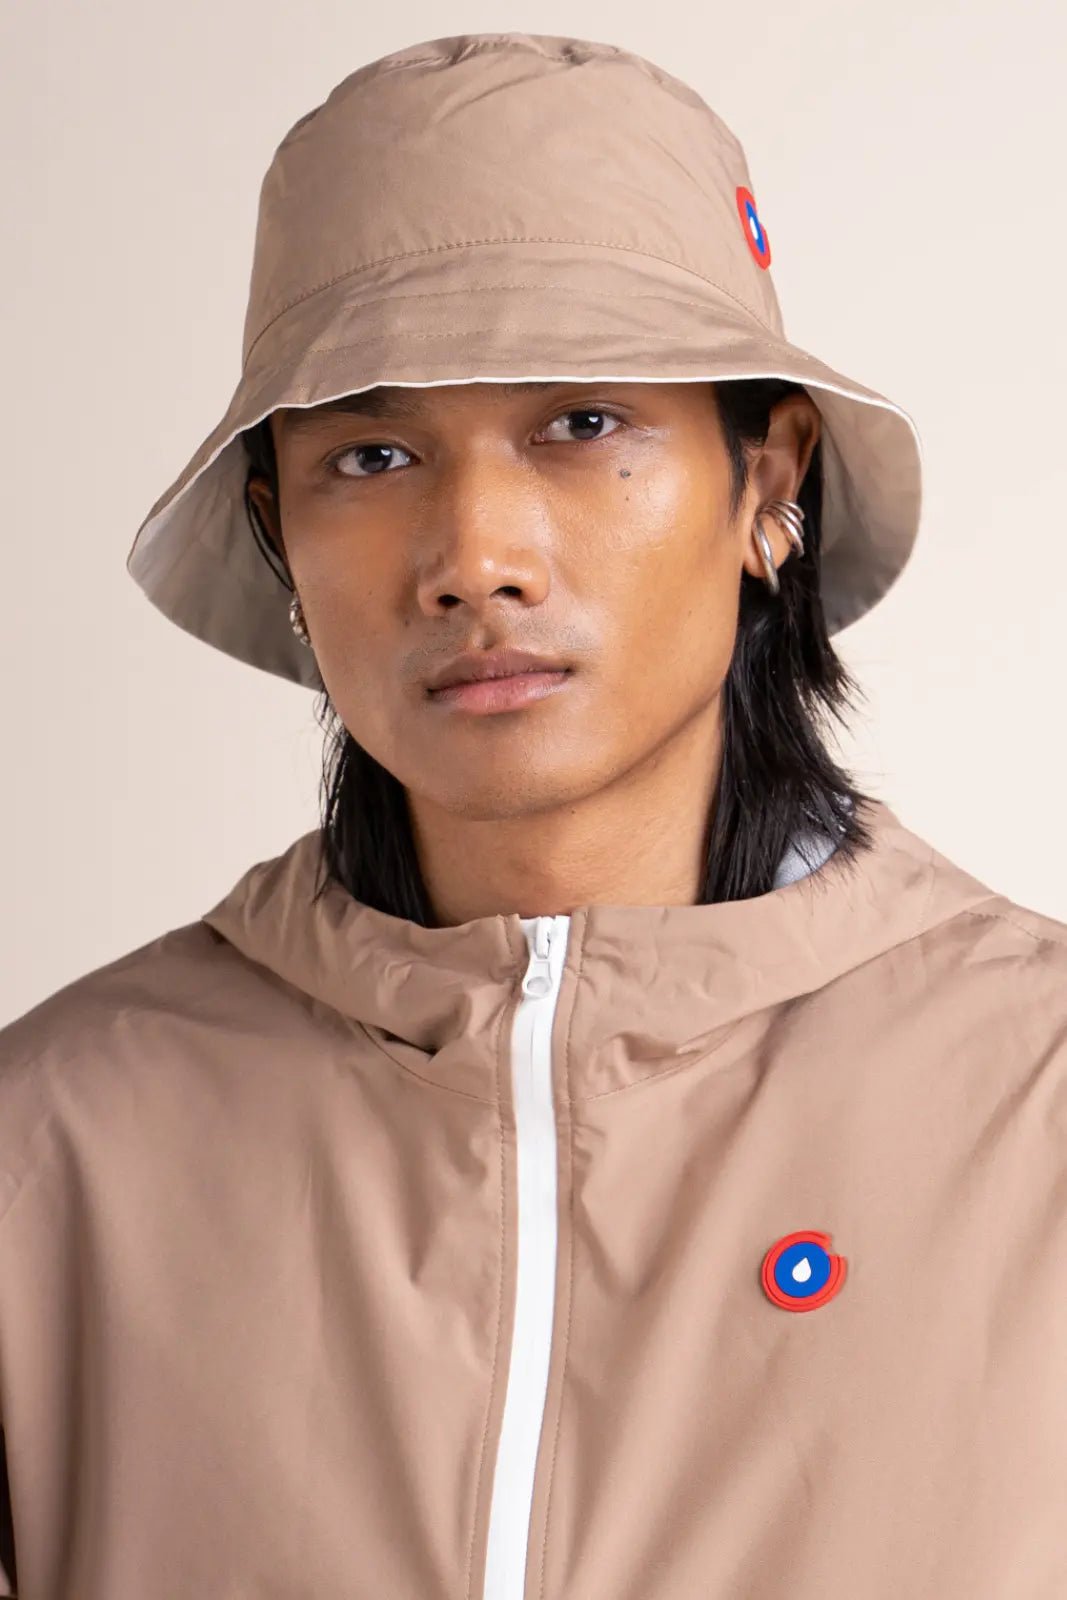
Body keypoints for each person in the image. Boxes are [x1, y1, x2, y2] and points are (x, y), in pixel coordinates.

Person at [2, 30, 1066, 1600]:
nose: (475, 557)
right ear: (278, 533)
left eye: (582, 424)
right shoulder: (54, 1152)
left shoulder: (1035, 1105)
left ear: (767, 481)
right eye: (371, 453)